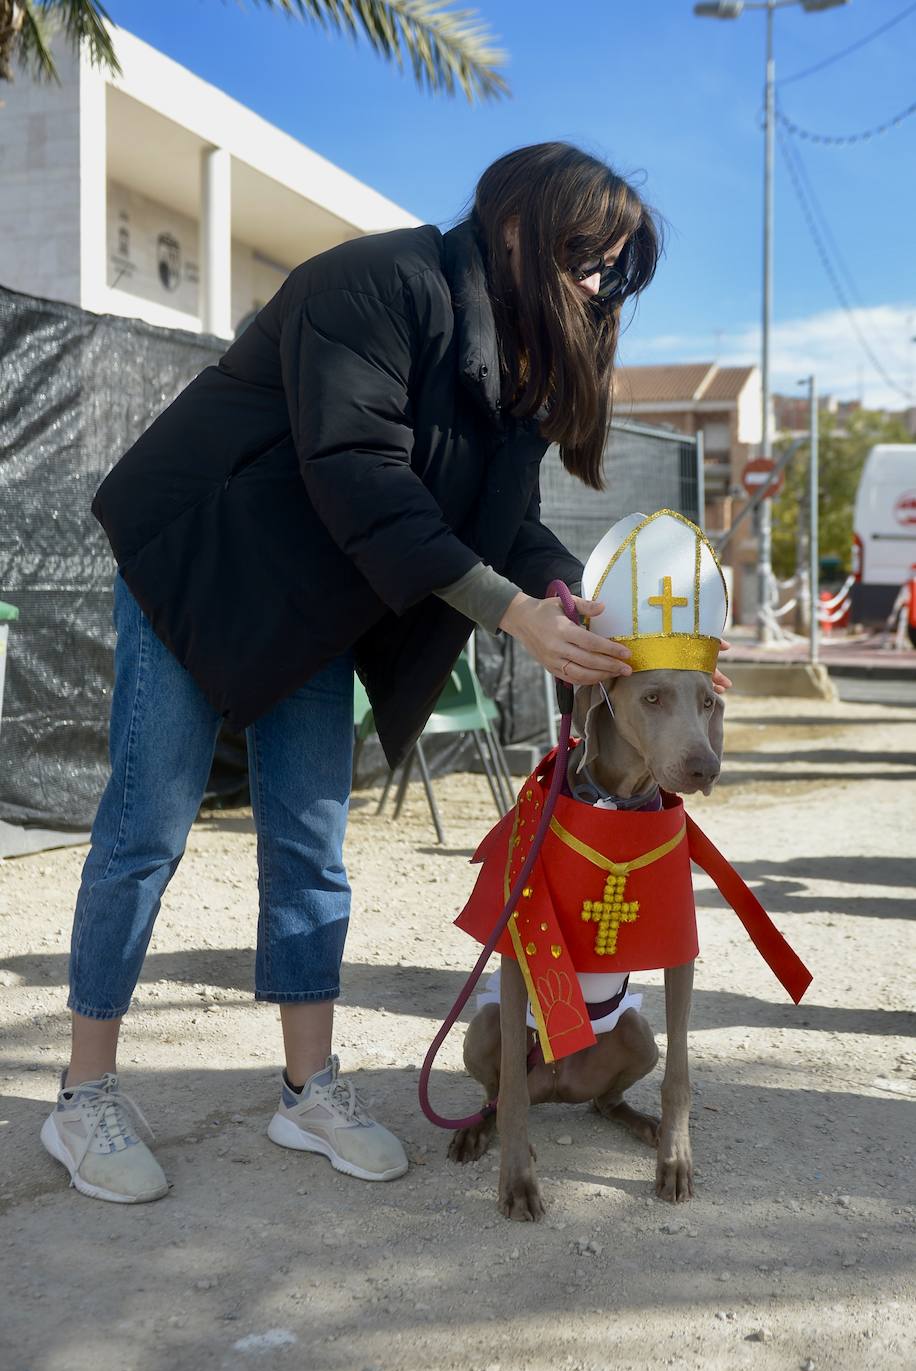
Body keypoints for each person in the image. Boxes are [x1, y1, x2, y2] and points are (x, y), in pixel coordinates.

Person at [41, 141, 728, 1204]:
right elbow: (359, 474)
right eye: (587, 257)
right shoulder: (373, 285)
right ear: (513, 223)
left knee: (312, 841)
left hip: (314, 610)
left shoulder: (517, 372)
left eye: (612, 272)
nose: (596, 285)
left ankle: (307, 1088)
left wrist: (565, 601)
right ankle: (84, 1100)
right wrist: (505, 612)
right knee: (145, 831)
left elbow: (514, 524)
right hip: (199, 568)